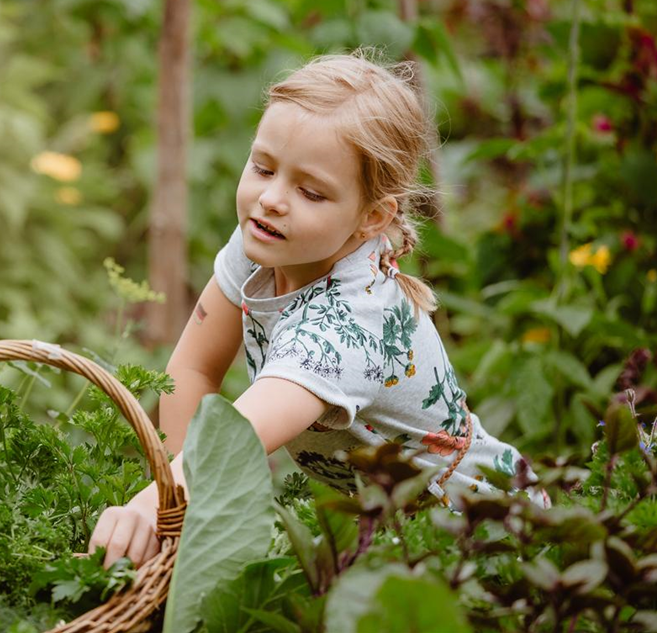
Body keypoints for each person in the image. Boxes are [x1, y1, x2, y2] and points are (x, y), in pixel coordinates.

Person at [88, 48, 546, 570]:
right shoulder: (268, 242)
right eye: (263, 167)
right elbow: (193, 367)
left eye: (310, 191)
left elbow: (235, 442)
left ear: (372, 217)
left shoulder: (347, 327)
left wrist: (156, 507)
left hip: (487, 535)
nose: (271, 200)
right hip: (389, 529)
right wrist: (170, 497)